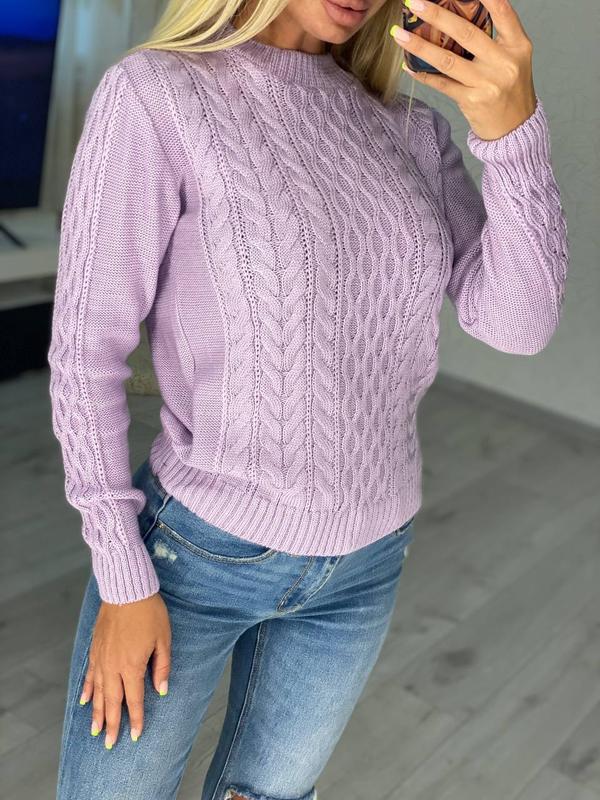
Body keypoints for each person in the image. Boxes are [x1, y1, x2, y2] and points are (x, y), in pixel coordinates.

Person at [48, 0, 569, 797]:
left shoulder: (411, 130)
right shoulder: (158, 94)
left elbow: (518, 326)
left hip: (366, 565)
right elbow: (85, 354)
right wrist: (122, 576)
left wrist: (513, 131)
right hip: (197, 557)